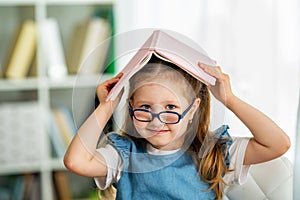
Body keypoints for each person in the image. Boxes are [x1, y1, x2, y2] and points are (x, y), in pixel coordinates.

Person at [64, 55, 290, 200]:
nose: (156, 120)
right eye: (145, 107)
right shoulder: (124, 155)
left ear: (192, 109)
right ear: (130, 107)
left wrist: (229, 99)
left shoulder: (213, 153)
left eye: (170, 107)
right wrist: (106, 106)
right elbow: (76, 162)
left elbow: (278, 144)